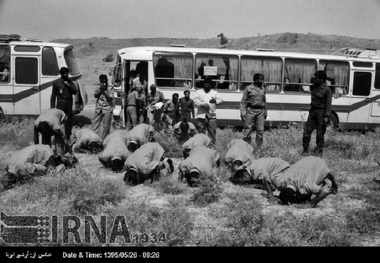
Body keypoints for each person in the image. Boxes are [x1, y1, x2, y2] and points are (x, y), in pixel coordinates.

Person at [1, 144, 77, 189]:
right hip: (37, 148)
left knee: (51, 174)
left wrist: (46, 171)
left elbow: (42, 168)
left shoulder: (24, 167)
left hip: (44, 153)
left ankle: (64, 163)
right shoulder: (9, 164)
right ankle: (63, 159)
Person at [302, 71, 332, 156]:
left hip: (321, 113)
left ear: (322, 79)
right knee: (307, 132)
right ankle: (305, 149)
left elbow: (328, 104)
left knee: (320, 134)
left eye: (317, 78)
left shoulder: (327, 90)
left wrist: (326, 116)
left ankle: (319, 151)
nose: (315, 79)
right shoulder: (314, 87)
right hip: (312, 112)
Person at [193, 77, 223, 146]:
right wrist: (202, 104)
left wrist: (215, 101)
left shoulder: (214, 93)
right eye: (205, 84)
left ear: (211, 85)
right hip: (201, 116)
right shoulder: (198, 92)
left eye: (208, 85)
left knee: (212, 133)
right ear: (203, 84)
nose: (207, 86)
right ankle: (200, 147)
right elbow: (194, 100)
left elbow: (221, 101)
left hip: (211, 116)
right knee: (201, 134)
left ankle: (211, 148)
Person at [240, 73, 267, 147]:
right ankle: (247, 145)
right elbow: (243, 101)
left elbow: (264, 101)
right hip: (250, 111)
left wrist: (266, 112)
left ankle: (259, 146)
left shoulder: (263, 89)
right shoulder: (248, 88)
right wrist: (242, 112)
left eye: (262, 79)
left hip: (260, 112)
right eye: (260, 79)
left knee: (260, 130)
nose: (262, 81)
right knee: (248, 129)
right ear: (256, 80)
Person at [50, 67, 78, 140]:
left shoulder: (70, 82)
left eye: (67, 74)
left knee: (68, 119)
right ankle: (59, 136)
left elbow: (75, 91)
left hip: (68, 101)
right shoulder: (56, 82)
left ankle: (68, 135)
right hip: (60, 101)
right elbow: (53, 95)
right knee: (59, 120)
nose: (66, 75)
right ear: (61, 74)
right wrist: (52, 107)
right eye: (65, 74)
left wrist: (68, 86)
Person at [91, 74, 115, 140]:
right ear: (100, 81)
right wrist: (100, 90)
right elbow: (95, 95)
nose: (104, 84)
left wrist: (105, 92)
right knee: (95, 125)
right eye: (102, 82)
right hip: (99, 108)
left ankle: (105, 140)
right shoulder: (98, 86)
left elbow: (110, 98)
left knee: (106, 127)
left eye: (105, 82)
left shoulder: (110, 87)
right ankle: (93, 139)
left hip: (107, 109)